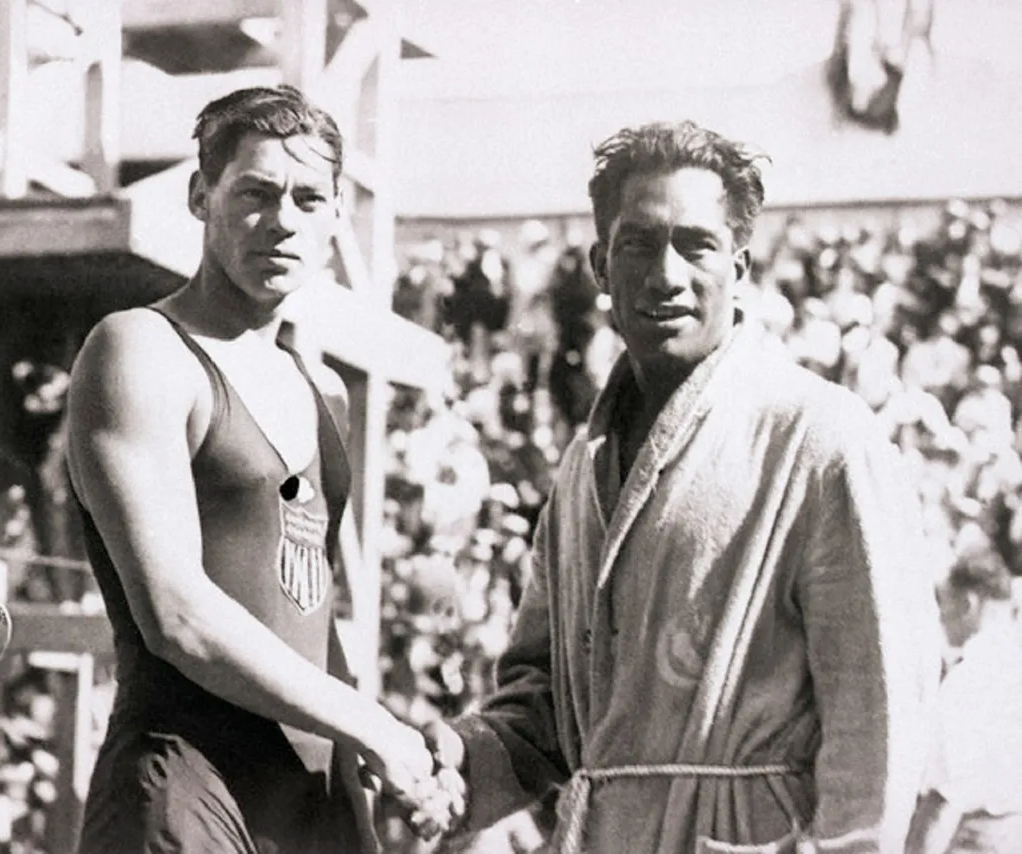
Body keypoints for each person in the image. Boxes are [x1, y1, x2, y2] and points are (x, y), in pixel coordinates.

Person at [425, 120, 942, 853]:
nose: (666, 275)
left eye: (695, 244)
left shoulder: (822, 438)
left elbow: (879, 727)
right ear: (601, 264)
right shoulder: (581, 470)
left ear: (741, 263)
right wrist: (456, 761)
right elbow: (550, 707)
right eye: (638, 244)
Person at [66, 85, 448, 854]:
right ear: (201, 195)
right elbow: (177, 617)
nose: (284, 221)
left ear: (338, 214)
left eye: (310, 198)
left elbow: (308, 611)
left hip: (311, 800)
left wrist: (368, 766)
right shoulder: (141, 350)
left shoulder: (322, 389)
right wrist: (373, 724)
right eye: (257, 193)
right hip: (185, 788)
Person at [905, 550, 1022, 854]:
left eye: (942, 602)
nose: (939, 616)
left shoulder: (973, 676)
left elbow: (943, 801)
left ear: (967, 604)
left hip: (975, 842)